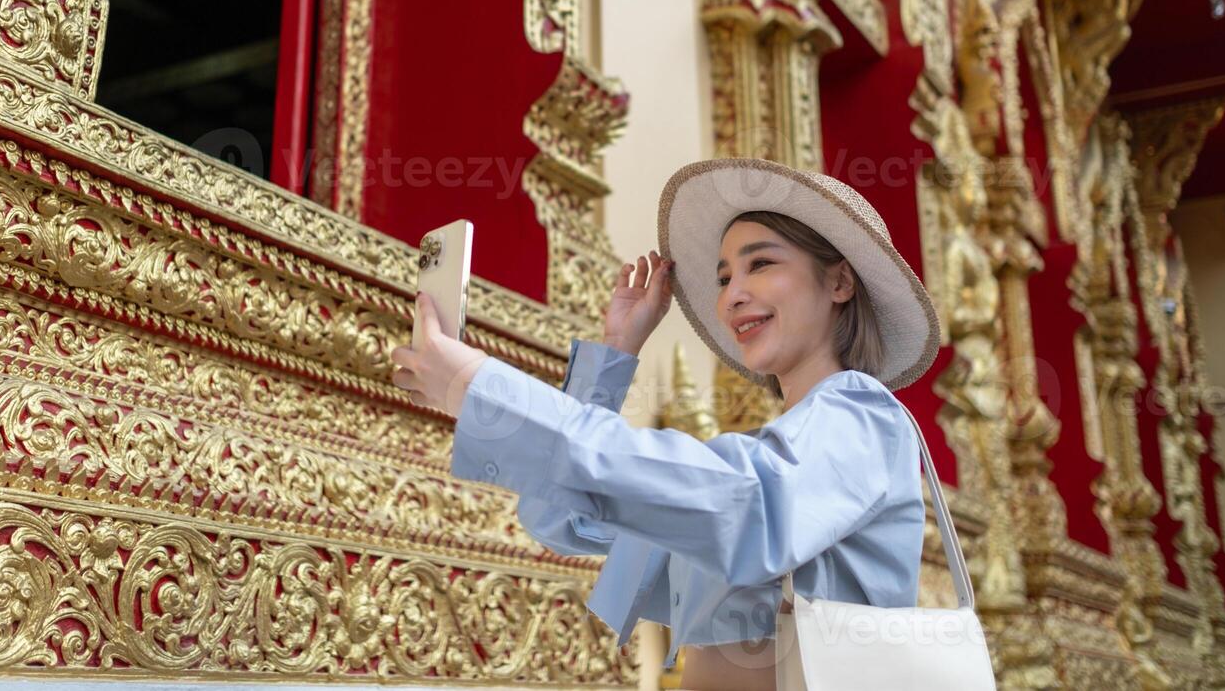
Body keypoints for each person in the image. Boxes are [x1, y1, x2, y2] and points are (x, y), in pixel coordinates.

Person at [390, 158, 941, 690]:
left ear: (840, 282)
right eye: (724, 277)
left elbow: (749, 510)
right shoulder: (759, 457)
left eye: (761, 264)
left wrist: (482, 388)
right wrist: (616, 350)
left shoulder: (864, 416)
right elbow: (559, 518)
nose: (733, 294)